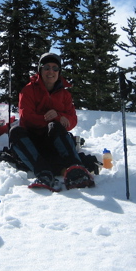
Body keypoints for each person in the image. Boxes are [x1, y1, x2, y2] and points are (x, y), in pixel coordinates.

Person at [9, 53, 94, 191]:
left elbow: (72, 120)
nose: (51, 71)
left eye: (55, 68)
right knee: (15, 132)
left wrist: (58, 117)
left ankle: (76, 170)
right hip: (32, 141)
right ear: (40, 70)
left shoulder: (65, 94)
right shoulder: (28, 90)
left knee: (55, 126)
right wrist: (49, 118)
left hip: (54, 142)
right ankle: (44, 173)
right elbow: (27, 118)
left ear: (59, 72)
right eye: (47, 67)